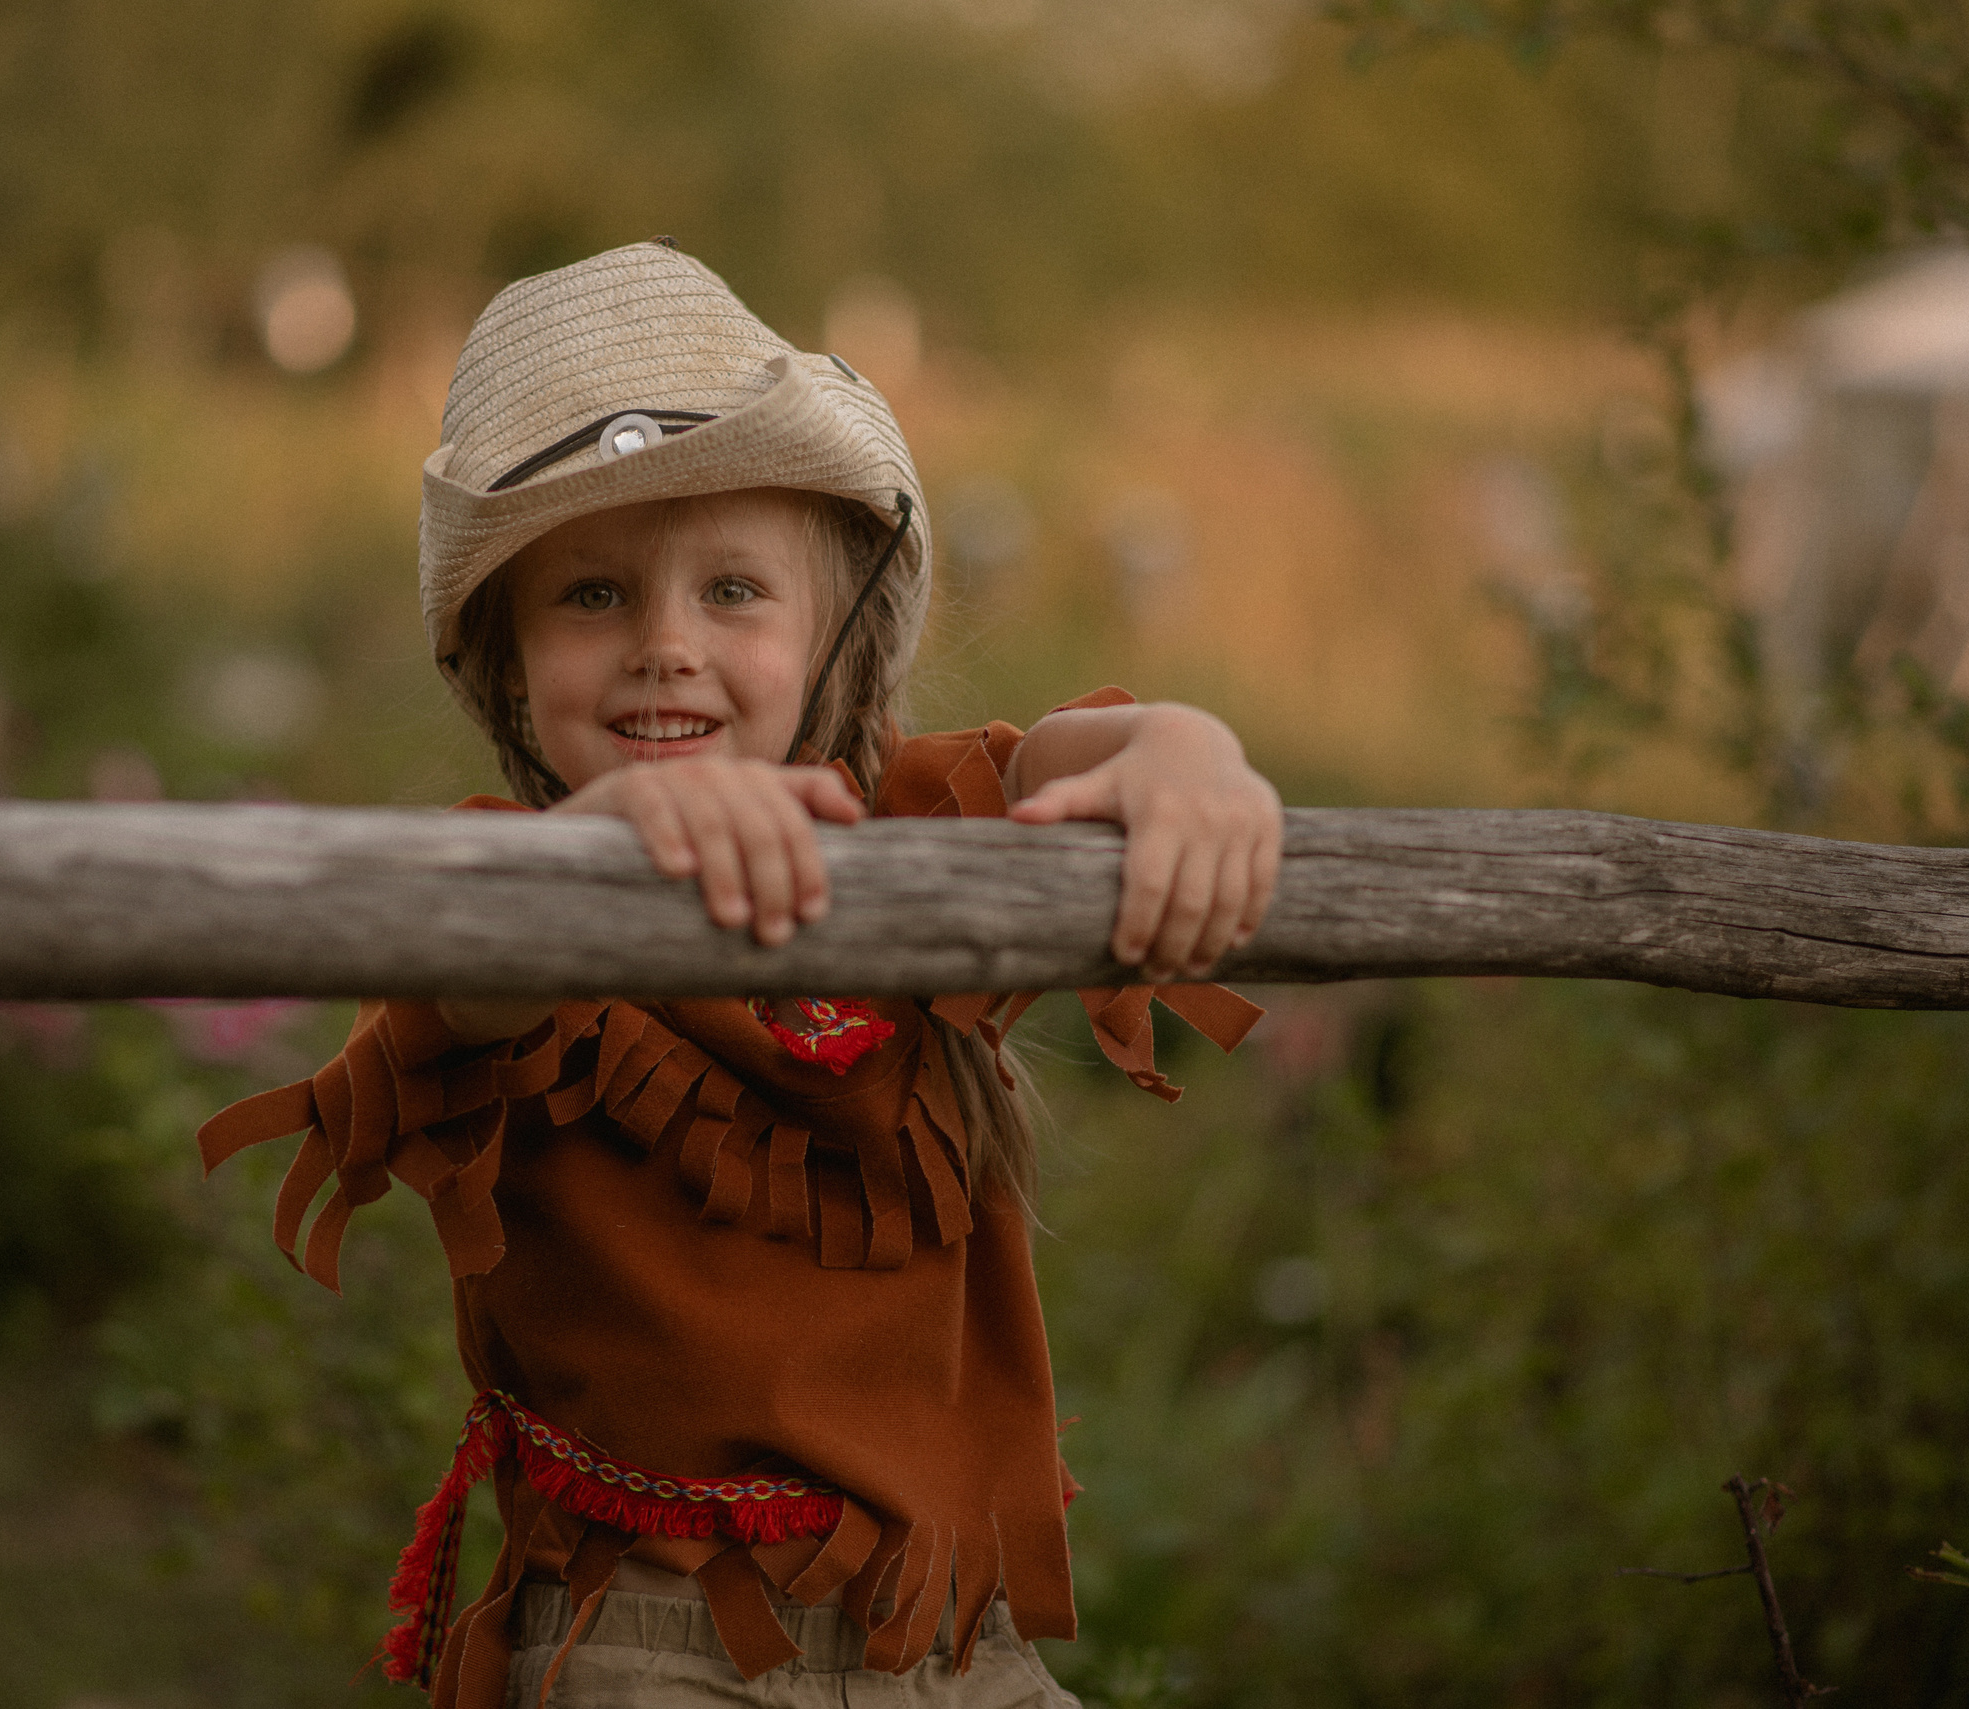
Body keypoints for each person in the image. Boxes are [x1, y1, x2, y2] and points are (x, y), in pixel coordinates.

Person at [197, 240, 1283, 1709]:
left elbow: (1062, 760)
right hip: (655, 1644)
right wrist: (608, 853)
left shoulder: (901, 822)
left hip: (953, 1645)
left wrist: (1185, 750)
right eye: (591, 595)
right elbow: (472, 977)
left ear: (829, 630)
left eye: (731, 589)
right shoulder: (500, 873)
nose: (665, 647)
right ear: (509, 662)